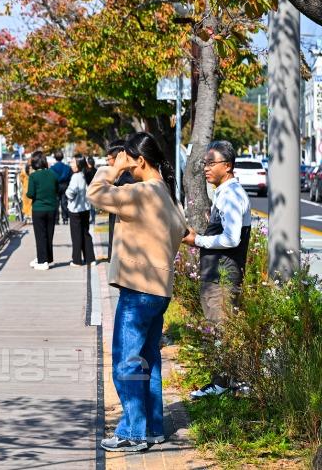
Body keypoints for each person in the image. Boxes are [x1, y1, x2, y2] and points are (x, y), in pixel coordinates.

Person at [87, 132, 188, 452]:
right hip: (159, 290)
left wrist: (110, 170)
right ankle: (153, 426)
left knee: (127, 361)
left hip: (137, 290)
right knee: (149, 360)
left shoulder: (142, 192)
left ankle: (133, 430)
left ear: (140, 160)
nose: (123, 164)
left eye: (127, 158)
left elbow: (96, 194)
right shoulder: (167, 195)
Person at [182, 140, 251, 398]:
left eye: (212, 163)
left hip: (223, 276)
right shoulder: (223, 193)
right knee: (222, 329)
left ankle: (223, 383)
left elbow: (232, 238)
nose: (206, 168)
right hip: (217, 275)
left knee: (222, 330)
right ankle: (230, 381)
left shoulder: (231, 195)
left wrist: (198, 240)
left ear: (228, 165)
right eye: (205, 163)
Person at [26, 151, 59, 270]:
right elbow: (57, 190)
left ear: (34, 163)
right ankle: (46, 258)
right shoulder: (53, 174)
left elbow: (30, 194)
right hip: (52, 208)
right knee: (49, 235)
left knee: (40, 236)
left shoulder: (33, 176)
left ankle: (42, 261)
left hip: (39, 208)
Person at [105, 140, 136, 259]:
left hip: (124, 242)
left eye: (109, 159)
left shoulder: (127, 180)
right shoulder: (121, 178)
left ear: (119, 158)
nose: (108, 163)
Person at [66, 155, 96, 267]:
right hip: (86, 208)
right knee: (85, 234)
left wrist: (67, 194)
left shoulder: (76, 176)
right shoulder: (85, 175)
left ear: (78, 164)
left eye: (73, 162)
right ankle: (90, 259)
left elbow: (71, 192)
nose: (71, 165)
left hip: (75, 209)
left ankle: (77, 260)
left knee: (76, 235)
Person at [50, 150, 72, 224]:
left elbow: (51, 178)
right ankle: (65, 218)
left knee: (56, 203)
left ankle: (56, 220)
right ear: (62, 157)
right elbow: (69, 178)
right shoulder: (67, 168)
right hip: (65, 185)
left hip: (56, 186)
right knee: (64, 202)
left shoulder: (52, 168)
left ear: (55, 158)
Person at [86, 156, 97, 224]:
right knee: (92, 206)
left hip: (89, 189)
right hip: (95, 189)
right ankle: (93, 219)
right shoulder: (96, 170)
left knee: (89, 206)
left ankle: (91, 219)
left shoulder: (87, 171)